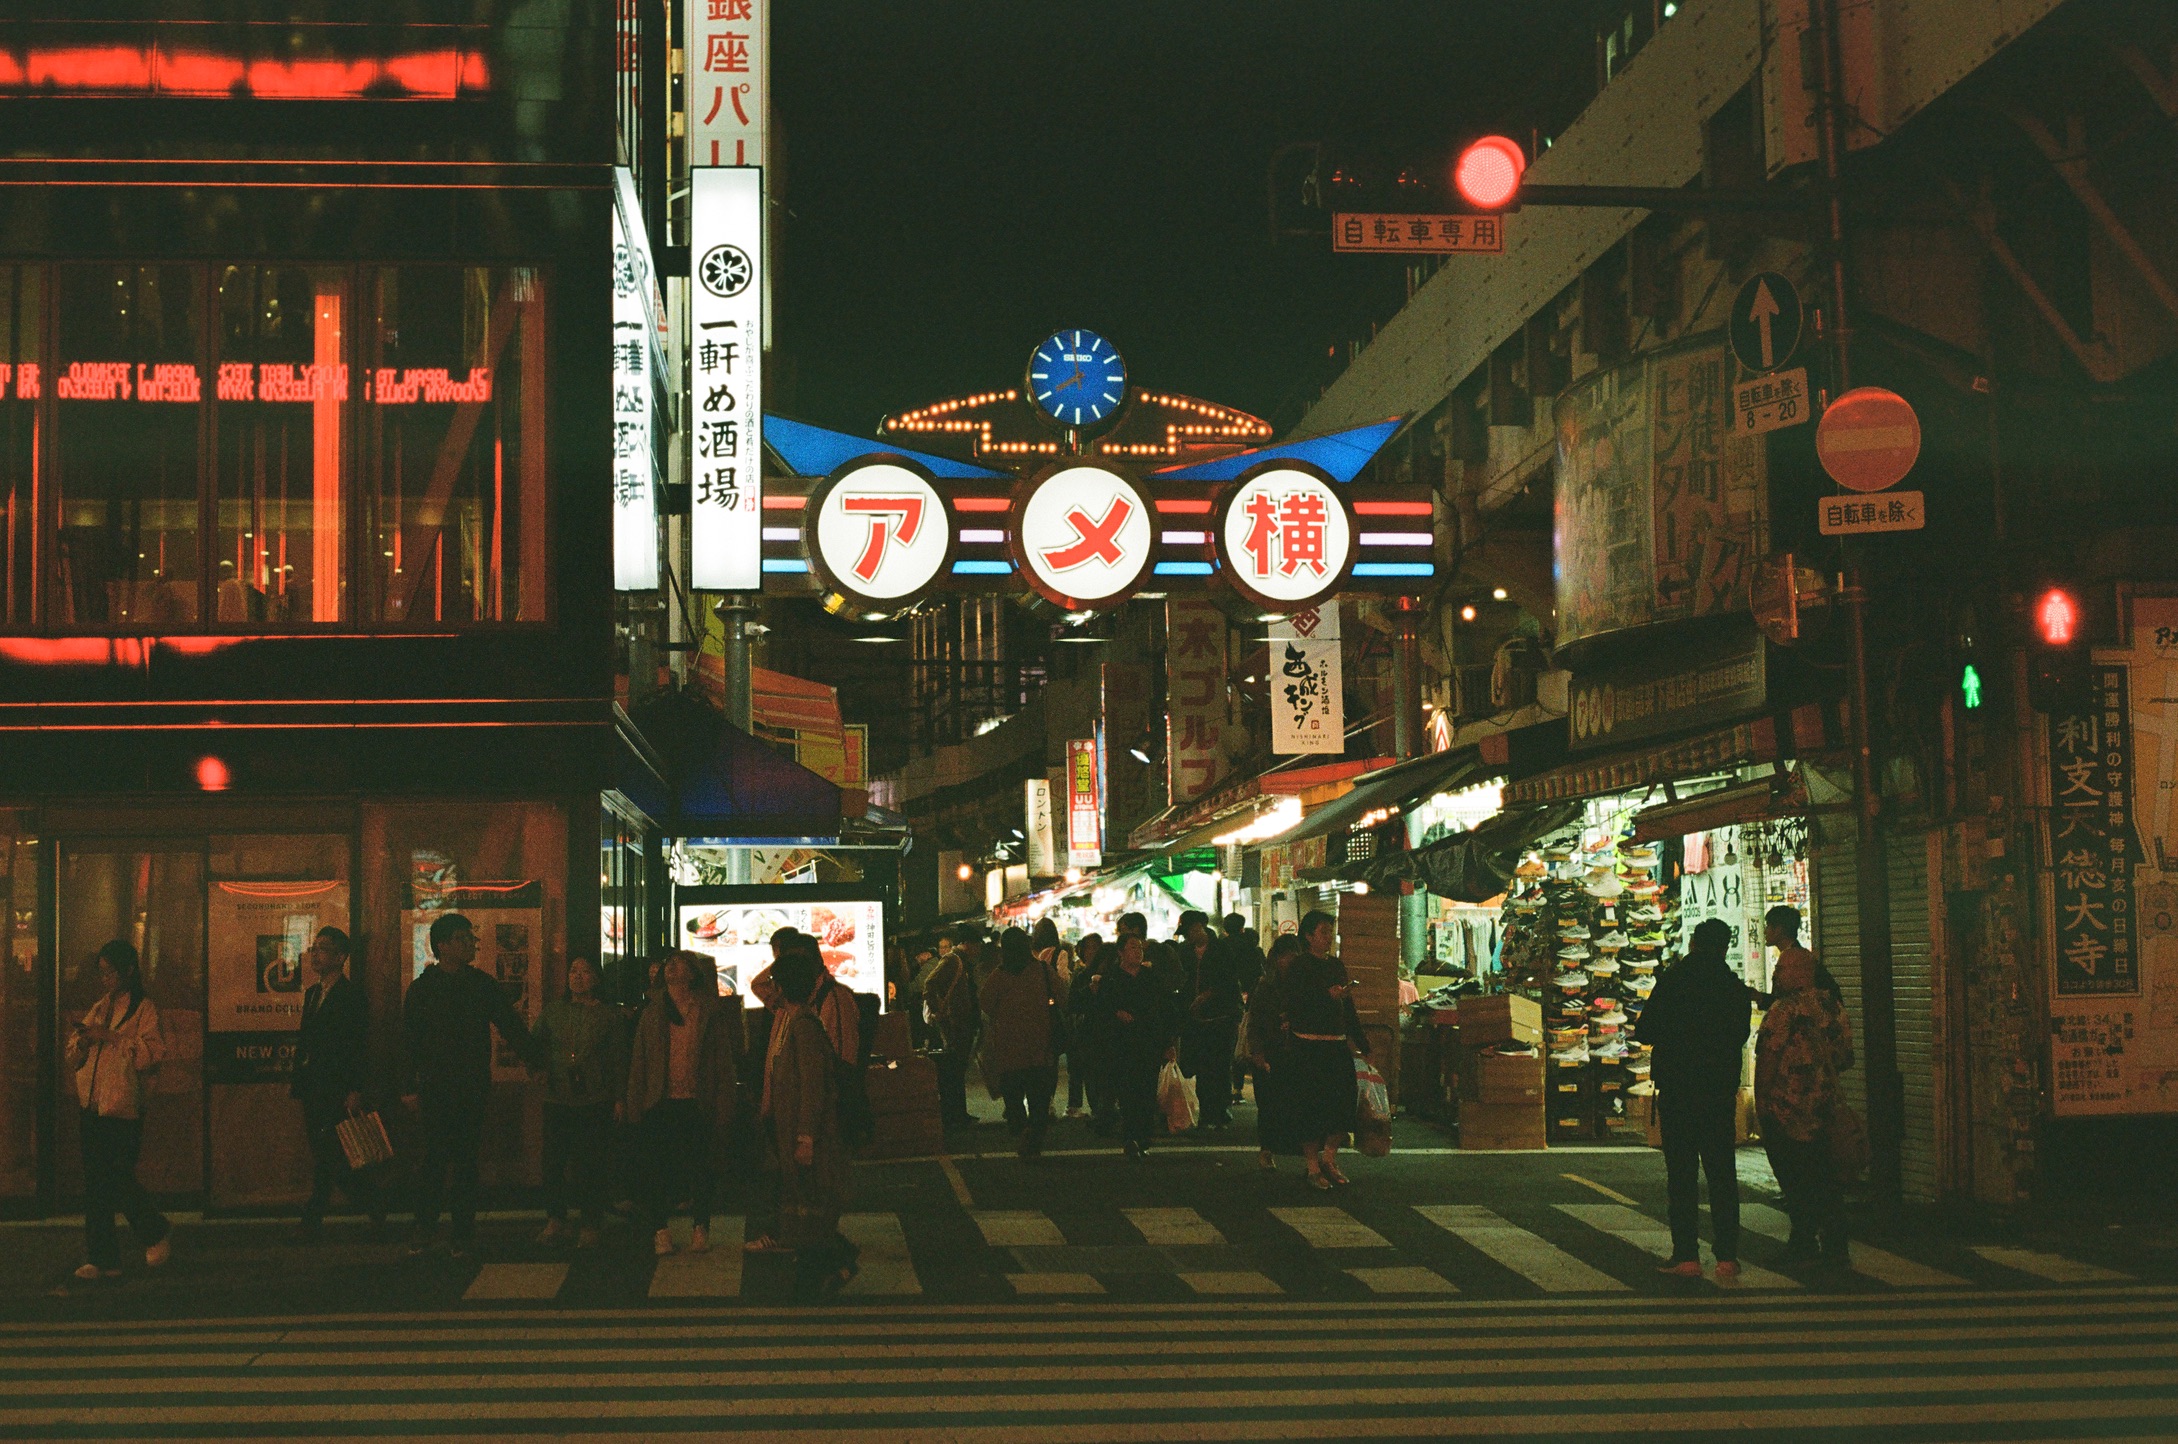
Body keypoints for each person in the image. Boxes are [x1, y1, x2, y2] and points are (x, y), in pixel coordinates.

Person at [401, 912, 544, 1259]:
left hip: (471, 1085)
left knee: (465, 1160)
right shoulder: (422, 989)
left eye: (471, 939)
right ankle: (426, 1226)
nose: (471, 945)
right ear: (444, 945)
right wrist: (408, 1085)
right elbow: (410, 1042)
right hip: (435, 1086)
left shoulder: (481, 984)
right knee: (435, 1159)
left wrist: (533, 1059)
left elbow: (509, 1023)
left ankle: (460, 1233)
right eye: (464, 939)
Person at [1634, 917, 1753, 1280]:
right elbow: (1740, 1036)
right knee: (1722, 1175)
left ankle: (1686, 1256)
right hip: (1718, 1093)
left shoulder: (1673, 983)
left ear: (1693, 945)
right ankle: (1727, 1257)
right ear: (1726, 947)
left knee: (1682, 1175)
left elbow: (1645, 1031)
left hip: (1679, 1091)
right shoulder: (1734, 989)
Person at [67, 940, 172, 1281]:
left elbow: (151, 1053)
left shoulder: (144, 1009)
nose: (106, 980)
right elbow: (73, 1056)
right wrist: (82, 1043)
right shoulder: (99, 1007)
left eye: (110, 972)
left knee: (118, 1177)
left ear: (128, 971)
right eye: (101, 973)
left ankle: (154, 1229)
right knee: (96, 1183)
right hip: (93, 1104)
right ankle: (102, 1257)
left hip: (124, 1106)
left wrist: (109, 1037)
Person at [1756, 907, 1855, 1264]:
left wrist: (1762, 1099)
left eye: (1782, 970)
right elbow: (1846, 1057)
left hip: (1788, 1105)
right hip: (1825, 1103)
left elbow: (1767, 1058)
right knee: (1826, 1175)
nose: (1778, 974)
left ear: (1798, 974)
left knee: (1795, 1175)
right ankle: (1835, 1241)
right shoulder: (1833, 1008)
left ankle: (1802, 1238)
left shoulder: (1783, 1011)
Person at [626, 950, 739, 1256]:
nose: (671, 968)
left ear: (693, 974)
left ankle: (700, 1227)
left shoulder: (707, 1012)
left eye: (679, 964)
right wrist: (635, 1102)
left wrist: (725, 1101)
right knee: (657, 1168)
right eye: (669, 965)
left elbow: (722, 1062)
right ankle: (660, 1230)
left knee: (700, 1167)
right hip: (660, 1101)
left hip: (696, 1100)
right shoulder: (653, 1012)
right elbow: (640, 1060)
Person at [763, 948, 858, 1296]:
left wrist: (805, 1137)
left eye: (774, 981)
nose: (769, 987)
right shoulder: (793, 1021)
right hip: (793, 1130)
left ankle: (825, 1270)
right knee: (805, 1206)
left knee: (810, 1208)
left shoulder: (803, 1026)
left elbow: (812, 1086)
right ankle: (831, 1266)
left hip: (805, 1133)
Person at [532, 955, 628, 1249]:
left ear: (596, 979)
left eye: (585, 972)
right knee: (554, 1162)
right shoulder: (553, 1012)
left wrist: (619, 1097)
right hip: (558, 1096)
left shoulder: (609, 1015)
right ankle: (556, 1218)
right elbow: (535, 1046)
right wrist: (537, 1070)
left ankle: (591, 1221)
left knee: (591, 1162)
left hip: (595, 1097)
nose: (578, 977)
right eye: (573, 971)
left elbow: (618, 1058)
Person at [292, 927, 380, 1237]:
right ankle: (372, 1204)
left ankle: (321, 1215)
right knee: (327, 1152)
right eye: (313, 948)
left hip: (337, 1087)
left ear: (341, 957)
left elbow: (358, 1045)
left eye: (323, 948)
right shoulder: (313, 993)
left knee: (329, 1152)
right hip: (314, 1085)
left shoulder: (351, 995)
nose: (315, 954)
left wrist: (355, 1088)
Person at [1283, 911, 1369, 1190]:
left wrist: (1362, 1042)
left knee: (1342, 1105)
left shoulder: (1336, 965)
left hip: (1336, 1044)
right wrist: (1324, 996)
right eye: (1323, 932)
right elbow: (1295, 1004)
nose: (1328, 937)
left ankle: (1329, 1157)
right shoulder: (1299, 966)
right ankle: (1311, 1165)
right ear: (1308, 936)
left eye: (1330, 931)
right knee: (1310, 1107)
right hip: (1307, 1046)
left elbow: (1348, 1007)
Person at [981, 927, 1061, 1158]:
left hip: (1008, 1049)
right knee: (1038, 1098)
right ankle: (1033, 1138)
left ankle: (1021, 1130)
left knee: (1013, 1097)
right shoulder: (1043, 971)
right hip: (1040, 1046)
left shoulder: (999, 975)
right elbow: (1062, 997)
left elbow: (985, 1003)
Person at [1100, 932, 1177, 1160]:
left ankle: (1142, 1138)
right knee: (1127, 1092)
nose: (1137, 951)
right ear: (1121, 952)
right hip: (1122, 1044)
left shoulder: (1150, 977)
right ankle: (1131, 1137)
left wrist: (1167, 1042)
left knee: (1146, 1092)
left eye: (1139, 948)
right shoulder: (1111, 978)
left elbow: (1164, 1011)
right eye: (1132, 947)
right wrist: (1117, 1013)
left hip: (1149, 1043)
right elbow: (1101, 1010)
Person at [1245, 934, 1306, 1172]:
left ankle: (1294, 1147)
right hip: (1270, 1051)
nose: (1290, 962)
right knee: (1268, 1104)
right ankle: (1267, 1149)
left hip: (1295, 1050)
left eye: (1295, 956)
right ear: (1277, 958)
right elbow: (1254, 1021)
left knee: (1291, 1102)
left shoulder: (1303, 984)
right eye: (1286, 956)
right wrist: (1257, 1051)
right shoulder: (1264, 986)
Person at [1178, 912, 1243, 1130]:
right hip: (1194, 1019)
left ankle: (1220, 1109)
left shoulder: (1221, 949)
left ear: (1199, 927)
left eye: (1190, 931)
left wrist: (1209, 995)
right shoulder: (1185, 951)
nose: (1188, 936)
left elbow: (1230, 981)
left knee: (1220, 1065)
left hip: (1219, 1017)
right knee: (1202, 1066)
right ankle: (1207, 1111)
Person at [920, 936, 979, 1131]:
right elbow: (929, 984)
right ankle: (953, 1115)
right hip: (954, 1025)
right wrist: (938, 1012)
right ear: (969, 944)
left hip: (961, 1024)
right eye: (976, 946)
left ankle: (959, 1114)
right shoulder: (952, 960)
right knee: (953, 1070)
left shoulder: (961, 961)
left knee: (958, 1069)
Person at [1062, 933, 1105, 1118]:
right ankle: (1080, 1106)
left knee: (1099, 1072)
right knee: (1082, 1069)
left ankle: (1101, 1109)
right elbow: (1072, 1002)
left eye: (1097, 947)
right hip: (1083, 1030)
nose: (1094, 952)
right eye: (1090, 948)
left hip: (1103, 1030)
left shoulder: (1109, 973)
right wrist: (1089, 991)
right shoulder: (1081, 975)